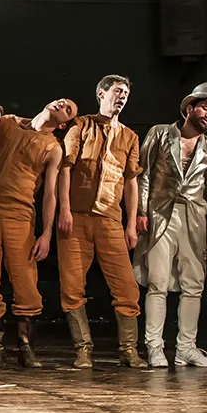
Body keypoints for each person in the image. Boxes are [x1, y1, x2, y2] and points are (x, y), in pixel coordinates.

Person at [0, 98, 77, 368]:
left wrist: (46, 233)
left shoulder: (53, 148)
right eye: (61, 101)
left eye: (67, 109)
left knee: (26, 283)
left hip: (19, 217)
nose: (62, 104)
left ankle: (25, 345)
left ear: (63, 124)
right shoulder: (7, 123)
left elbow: (50, 195)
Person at [132, 83, 207, 368]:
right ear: (190, 108)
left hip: (194, 217)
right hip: (160, 213)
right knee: (157, 282)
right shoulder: (161, 133)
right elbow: (144, 173)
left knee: (193, 284)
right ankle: (154, 346)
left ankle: (186, 347)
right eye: (205, 108)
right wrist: (140, 211)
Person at [57, 75, 145, 369]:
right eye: (118, 91)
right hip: (77, 218)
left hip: (110, 219)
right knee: (72, 286)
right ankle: (83, 349)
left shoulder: (130, 137)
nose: (122, 97)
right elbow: (65, 167)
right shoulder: (82, 125)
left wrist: (130, 224)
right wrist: (65, 210)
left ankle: (129, 349)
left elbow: (131, 181)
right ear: (101, 94)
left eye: (126, 93)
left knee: (126, 288)